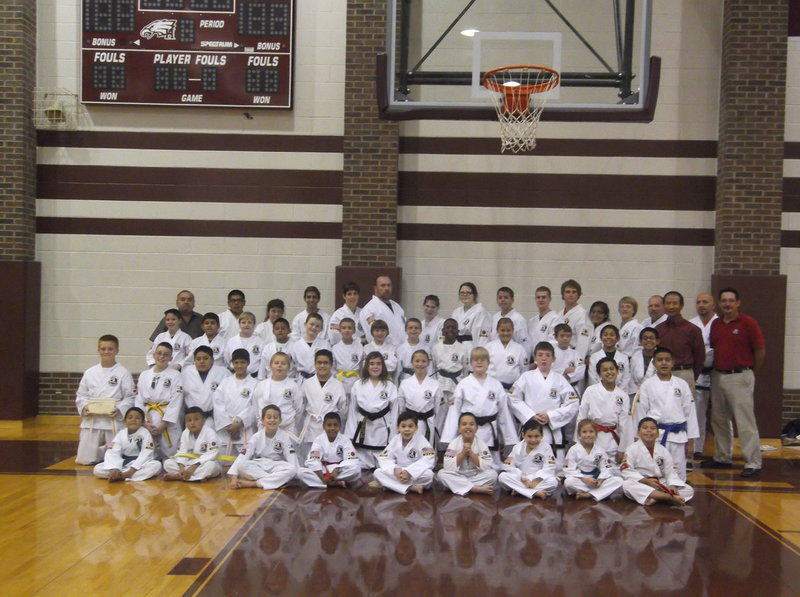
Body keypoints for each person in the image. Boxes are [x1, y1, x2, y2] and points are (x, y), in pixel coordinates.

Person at [703, 287, 766, 478]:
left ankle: (753, 462)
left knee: (745, 421)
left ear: (738, 303)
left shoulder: (748, 323)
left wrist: (751, 373)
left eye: (731, 300)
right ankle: (723, 457)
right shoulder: (717, 324)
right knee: (719, 420)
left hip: (740, 376)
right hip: (718, 375)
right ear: (719, 304)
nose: (727, 304)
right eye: (724, 301)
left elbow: (760, 351)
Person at [441, 346, 517, 470]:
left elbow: (503, 412)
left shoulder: (495, 384)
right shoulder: (464, 384)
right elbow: (454, 411)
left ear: (488, 363)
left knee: (491, 465)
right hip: (469, 429)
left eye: (483, 359)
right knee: (468, 458)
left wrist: (509, 436)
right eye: (476, 360)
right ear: (471, 363)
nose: (479, 362)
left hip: (489, 428)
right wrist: (449, 436)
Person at [508, 341, 579, 468]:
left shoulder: (560, 379)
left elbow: (573, 402)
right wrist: (530, 415)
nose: (544, 358)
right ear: (535, 358)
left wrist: (550, 416)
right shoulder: (526, 377)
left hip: (552, 428)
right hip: (531, 427)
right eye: (540, 355)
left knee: (554, 467)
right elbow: (513, 398)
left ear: (554, 359)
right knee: (527, 464)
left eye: (547, 355)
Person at [635, 347, 699, 481]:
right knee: (654, 471)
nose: (663, 363)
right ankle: (658, 493)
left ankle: (675, 494)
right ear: (654, 363)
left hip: (678, 436)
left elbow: (690, 413)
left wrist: (691, 440)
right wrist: (641, 438)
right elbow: (641, 413)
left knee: (678, 473)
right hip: (654, 436)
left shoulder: (682, 384)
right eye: (660, 360)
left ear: (673, 362)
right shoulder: (647, 385)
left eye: (667, 360)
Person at [75, 334, 135, 465]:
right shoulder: (90, 372)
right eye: (103, 349)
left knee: (118, 459)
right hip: (92, 418)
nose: (106, 352)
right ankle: (102, 452)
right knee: (84, 460)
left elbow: (130, 397)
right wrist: (85, 407)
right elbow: (81, 395)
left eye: (110, 349)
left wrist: (119, 409)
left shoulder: (123, 372)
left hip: (112, 419)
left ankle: (106, 452)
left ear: (117, 350)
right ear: (98, 350)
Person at [621, 417, 694, 506]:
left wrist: (672, 485)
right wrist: (646, 481)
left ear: (658, 433)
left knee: (689, 490)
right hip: (642, 482)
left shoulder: (662, 450)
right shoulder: (632, 449)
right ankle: (668, 498)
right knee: (627, 485)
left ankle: (655, 497)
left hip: (659, 484)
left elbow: (670, 470)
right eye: (645, 428)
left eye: (653, 428)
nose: (649, 431)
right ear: (638, 433)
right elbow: (626, 470)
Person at [345, 352, 399, 469]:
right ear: (367, 366)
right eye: (372, 364)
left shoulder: (390, 386)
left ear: (383, 366)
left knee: (384, 465)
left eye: (379, 364)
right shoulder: (358, 385)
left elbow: (395, 413)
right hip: (363, 425)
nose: (375, 367)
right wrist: (351, 433)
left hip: (382, 427)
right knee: (360, 465)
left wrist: (393, 435)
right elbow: (353, 411)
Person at [228, 405, 299, 490]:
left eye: (275, 417)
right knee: (241, 465)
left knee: (292, 469)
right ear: (262, 421)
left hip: (277, 465)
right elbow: (243, 455)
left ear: (280, 420)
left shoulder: (285, 437)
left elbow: (291, 457)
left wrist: (294, 474)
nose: (272, 420)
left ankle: (254, 484)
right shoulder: (256, 437)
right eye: (268, 417)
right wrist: (234, 479)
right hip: (260, 464)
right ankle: (278, 481)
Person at [578, 358, 633, 464]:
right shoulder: (591, 391)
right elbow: (582, 417)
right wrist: (580, 442)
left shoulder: (623, 395)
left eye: (612, 369)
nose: (609, 372)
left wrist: (622, 449)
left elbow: (625, 425)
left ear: (617, 371)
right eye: (605, 370)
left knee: (613, 474)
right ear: (599, 374)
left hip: (613, 442)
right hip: (592, 438)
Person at [296, 349, 347, 461]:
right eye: (319, 363)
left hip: (330, 426)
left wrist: (336, 423)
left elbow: (343, 409)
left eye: (326, 363)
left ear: (331, 365)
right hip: (311, 425)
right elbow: (300, 406)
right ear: (314, 364)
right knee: (310, 458)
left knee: (330, 457)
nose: (322, 366)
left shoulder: (337, 385)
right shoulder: (307, 383)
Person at [136, 341, 183, 459]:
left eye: (166, 354)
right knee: (148, 455)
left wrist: (163, 424)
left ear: (171, 358)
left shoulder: (175, 375)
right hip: (148, 419)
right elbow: (139, 399)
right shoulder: (144, 375)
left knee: (170, 455)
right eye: (159, 353)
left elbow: (176, 401)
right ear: (154, 355)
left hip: (166, 419)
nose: (162, 357)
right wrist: (144, 422)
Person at [93, 407, 162, 482]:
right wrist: (114, 468)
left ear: (142, 422)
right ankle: (118, 474)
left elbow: (146, 453)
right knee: (97, 469)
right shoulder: (121, 434)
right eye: (130, 417)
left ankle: (122, 476)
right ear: (125, 421)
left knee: (156, 465)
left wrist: (131, 470)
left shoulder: (145, 433)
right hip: (123, 463)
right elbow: (113, 452)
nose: (133, 420)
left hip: (139, 464)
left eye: (137, 418)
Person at [374, 411, 436, 494]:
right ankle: (411, 487)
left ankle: (392, 486)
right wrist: (395, 469)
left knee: (429, 475)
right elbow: (384, 458)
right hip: (399, 472)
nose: (407, 429)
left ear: (416, 428)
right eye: (403, 426)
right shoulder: (395, 440)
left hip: (414, 472)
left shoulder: (422, 440)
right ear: (398, 428)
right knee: (377, 473)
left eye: (410, 426)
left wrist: (410, 472)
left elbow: (428, 458)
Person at [655, 291, 705, 393]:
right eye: (668, 303)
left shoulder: (692, 329)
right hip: (663, 373)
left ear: (681, 306)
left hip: (684, 373)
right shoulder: (659, 329)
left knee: (685, 407)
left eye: (674, 303)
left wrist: (691, 376)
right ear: (664, 305)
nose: (671, 306)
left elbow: (700, 357)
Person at [214, 348, 258, 464]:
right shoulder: (225, 382)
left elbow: (254, 407)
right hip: (226, 428)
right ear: (232, 364)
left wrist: (239, 424)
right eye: (236, 363)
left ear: (248, 363)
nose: (239, 366)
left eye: (242, 362)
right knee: (223, 462)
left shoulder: (255, 384)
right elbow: (218, 403)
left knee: (245, 462)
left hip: (244, 428)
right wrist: (228, 425)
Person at [437, 412, 497, 495]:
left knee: (493, 475)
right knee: (441, 474)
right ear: (459, 428)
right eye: (464, 424)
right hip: (459, 474)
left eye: (471, 424)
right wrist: (463, 452)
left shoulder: (481, 444)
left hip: (476, 475)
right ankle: (474, 489)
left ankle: (459, 486)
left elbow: (486, 466)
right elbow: (448, 466)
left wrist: (471, 453)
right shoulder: (453, 444)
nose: (468, 427)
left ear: (476, 428)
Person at [296, 412, 361, 488]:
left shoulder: (345, 440)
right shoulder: (319, 440)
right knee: (301, 472)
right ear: (323, 426)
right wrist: (323, 478)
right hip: (323, 470)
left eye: (335, 425)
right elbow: (313, 460)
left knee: (356, 471)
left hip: (340, 471)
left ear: (340, 426)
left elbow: (352, 460)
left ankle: (322, 483)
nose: (332, 428)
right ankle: (331, 483)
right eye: (329, 425)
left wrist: (337, 469)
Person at [498, 420, 559, 499]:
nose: (533, 440)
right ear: (523, 435)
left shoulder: (546, 448)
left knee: (553, 482)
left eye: (536, 436)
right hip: (522, 479)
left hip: (537, 480)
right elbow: (508, 466)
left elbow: (549, 468)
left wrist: (536, 480)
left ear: (542, 435)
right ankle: (535, 493)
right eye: (529, 436)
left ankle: (520, 491)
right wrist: (522, 478)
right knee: (502, 477)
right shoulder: (517, 447)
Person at [563, 419, 623, 500]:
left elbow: (606, 467)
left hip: (595, 480)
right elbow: (569, 470)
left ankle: (588, 494)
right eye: (584, 432)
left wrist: (600, 480)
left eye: (591, 431)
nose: (588, 435)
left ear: (596, 433)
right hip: (580, 480)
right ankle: (598, 493)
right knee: (569, 482)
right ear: (579, 434)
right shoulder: (573, 450)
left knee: (618, 480)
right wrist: (585, 480)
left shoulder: (600, 450)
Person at [689, 292, 718, 459]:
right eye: (698, 302)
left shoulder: (719, 323)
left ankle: (725, 452)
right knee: (698, 413)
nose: (701, 305)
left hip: (717, 373)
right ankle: (698, 448)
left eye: (705, 302)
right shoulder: (692, 324)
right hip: (699, 374)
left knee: (722, 415)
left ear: (713, 305)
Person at [431, 318, 469, 437]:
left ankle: (454, 443)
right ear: (442, 331)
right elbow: (433, 367)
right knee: (440, 416)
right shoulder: (436, 348)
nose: (450, 330)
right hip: (441, 383)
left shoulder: (462, 348)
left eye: (453, 328)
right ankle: (439, 446)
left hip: (456, 384)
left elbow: (465, 369)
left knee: (454, 415)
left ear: (458, 332)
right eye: (447, 327)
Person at [163, 407, 222, 482]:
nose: (192, 423)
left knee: (210, 466)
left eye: (196, 419)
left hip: (204, 463)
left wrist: (193, 467)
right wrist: (181, 468)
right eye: (189, 420)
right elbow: (182, 452)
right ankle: (194, 477)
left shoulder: (210, 432)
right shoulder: (185, 433)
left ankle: (178, 476)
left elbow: (212, 453)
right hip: (189, 463)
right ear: (185, 422)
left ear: (203, 421)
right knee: (167, 463)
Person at [175, 346, 230, 427]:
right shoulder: (186, 373)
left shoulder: (223, 373)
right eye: (198, 359)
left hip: (215, 419)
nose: (202, 361)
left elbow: (229, 398)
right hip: (192, 419)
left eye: (205, 358)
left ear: (212, 360)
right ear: (194, 361)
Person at [254, 352, 302, 439]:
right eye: (276, 363)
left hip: (287, 428)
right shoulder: (261, 385)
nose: (279, 366)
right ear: (270, 366)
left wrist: (289, 422)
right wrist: (261, 423)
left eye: (283, 363)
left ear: (289, 368)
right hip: (266, 429)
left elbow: (298, 409)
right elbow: (257, 408)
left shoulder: (293, 386)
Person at [397, 349, 440, 442]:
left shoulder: (435, 384)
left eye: (423, 361)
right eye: (417, 361)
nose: (420, 364)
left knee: (427, 450)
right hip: (410, 423)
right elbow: (401, 408)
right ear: (412, 362)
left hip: (428, 421)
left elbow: (437, 409)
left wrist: (432, 419)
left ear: (428, 363)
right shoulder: (405, 383)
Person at [360, 275, 406, 345]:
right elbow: (373, 335)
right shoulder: (369, 309)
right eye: (383, 285)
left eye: (389, 285)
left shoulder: (397, 306)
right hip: (383, 351)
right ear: (375, 288)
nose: (387, 288)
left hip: (403, 350)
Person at [486, 317, 529, 390]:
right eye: (502, 330)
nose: (505, 333)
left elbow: (524, 371)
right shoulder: (489, 347)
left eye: (508, 330)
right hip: (491, 387)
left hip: (513, 388)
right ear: (497, 330)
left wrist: (517, 387)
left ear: (513, 331)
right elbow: (483, 369)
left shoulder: (520, 349)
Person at [587, 325, 631, 392]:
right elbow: (593, 378)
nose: (608, 337)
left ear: (617, 338)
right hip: (599, 394)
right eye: (605, 335)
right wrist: (604, 392)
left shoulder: (624, 358)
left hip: (619, 394)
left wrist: (616, 392)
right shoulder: (594, 357)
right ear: (601, 338)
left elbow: (626, 379)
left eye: (612, 335)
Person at [290, 312, 332, 379]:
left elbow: (329, 364)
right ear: (305, 324)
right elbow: (292, 367)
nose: (314, 327)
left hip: (320, 378)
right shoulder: (296, 345)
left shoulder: (325, 345)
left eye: (317, 326)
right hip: (301, 380)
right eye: (311, 324)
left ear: (321, 329)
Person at [451, 282, 491, 348]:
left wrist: (479, 352)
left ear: (474, 295)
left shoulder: (480, 311)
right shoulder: (456, 312)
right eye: (462, 293)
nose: (465, 295)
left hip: (472, 348)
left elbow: (483, 337)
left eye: (468, 293)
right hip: (457, 348)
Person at [223, 311, 264, 377]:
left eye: (250, 322)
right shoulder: (232, 341)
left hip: (254, 377)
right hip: (235, 376)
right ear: (239, 325)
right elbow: (226, 360)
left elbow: (262, 362)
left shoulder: (260, 342)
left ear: (254, 325)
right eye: (243, 322)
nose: (246, 325)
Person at [559, 279, 591, 360]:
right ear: (563, 294)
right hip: (559, 354)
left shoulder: (582, 314)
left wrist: (578, 362)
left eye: (574, 292)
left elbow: (583, 342)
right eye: (568, 292)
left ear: (578, 295)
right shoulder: (559, 314)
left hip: (573, 355)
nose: (571, 294)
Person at [491, 287, 530, 352]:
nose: (502, 300)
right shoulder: (495, 317)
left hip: (512, 357)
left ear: (512, 300)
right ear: (497, 300)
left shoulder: (519, 319)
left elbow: (525, 344)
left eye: (506, 297)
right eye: (500, 298)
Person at [331, 317, 363, 397]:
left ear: (354, 330)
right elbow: (333, 368)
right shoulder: (335, 348)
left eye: (350, 328)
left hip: (356, 380)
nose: (347, 330)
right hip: (340, 380)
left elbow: (362, 366)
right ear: (340, 330)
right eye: (344, 328)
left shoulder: (360, 347)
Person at [528, 286, 563, 353]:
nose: (541, 300)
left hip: (547, 359)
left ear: (550, 299)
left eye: (544, 297)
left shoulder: (555, 319)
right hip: (533, 358)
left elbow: (553, 343)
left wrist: (539, 359)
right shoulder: (532, 321)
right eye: (538, 297)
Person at [552, 323, 585, 388]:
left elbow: (581, 371)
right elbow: (550, 370)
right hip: (555, 386)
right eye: (562, 336)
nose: (565, 338)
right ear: (556, 337)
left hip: (572, 387)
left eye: (568, 336)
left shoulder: (576, 354)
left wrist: (569, 376)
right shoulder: (551, 353)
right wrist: (564, 371)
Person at [629, 327, 659, 395]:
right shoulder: (635, 357)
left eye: (651, 338)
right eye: (645, 338)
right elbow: (630, 377)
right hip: (637, 393)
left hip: (657, 392)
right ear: (640, 341)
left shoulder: (661, 357)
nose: (648, 340)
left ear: (657, 341)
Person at [395, 318, 425, 383]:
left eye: (416, 328)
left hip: (422, 380)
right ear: (405, 330)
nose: (413, 330)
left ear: (421, 330)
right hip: (405, 380)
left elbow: (429, 369)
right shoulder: (400, 349)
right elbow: (397, 371)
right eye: (410, 328)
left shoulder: (426, 348)